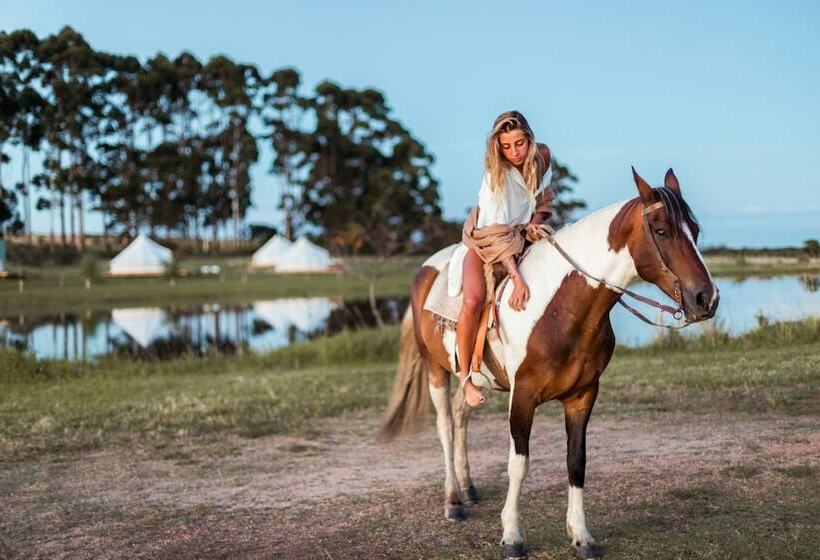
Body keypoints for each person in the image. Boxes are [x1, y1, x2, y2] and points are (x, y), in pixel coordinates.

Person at [447, 110, 555, 407]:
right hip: (487, 240)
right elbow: (496, 235)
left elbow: (545, 200)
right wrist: (516, 278)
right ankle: (466, 378)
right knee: (473, 300)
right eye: (506, 146)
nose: (514, 152)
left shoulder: (542, 157)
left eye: (519, 143)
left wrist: (534, 221)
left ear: (530, 140)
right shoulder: (496, 175)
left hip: (520, 236)